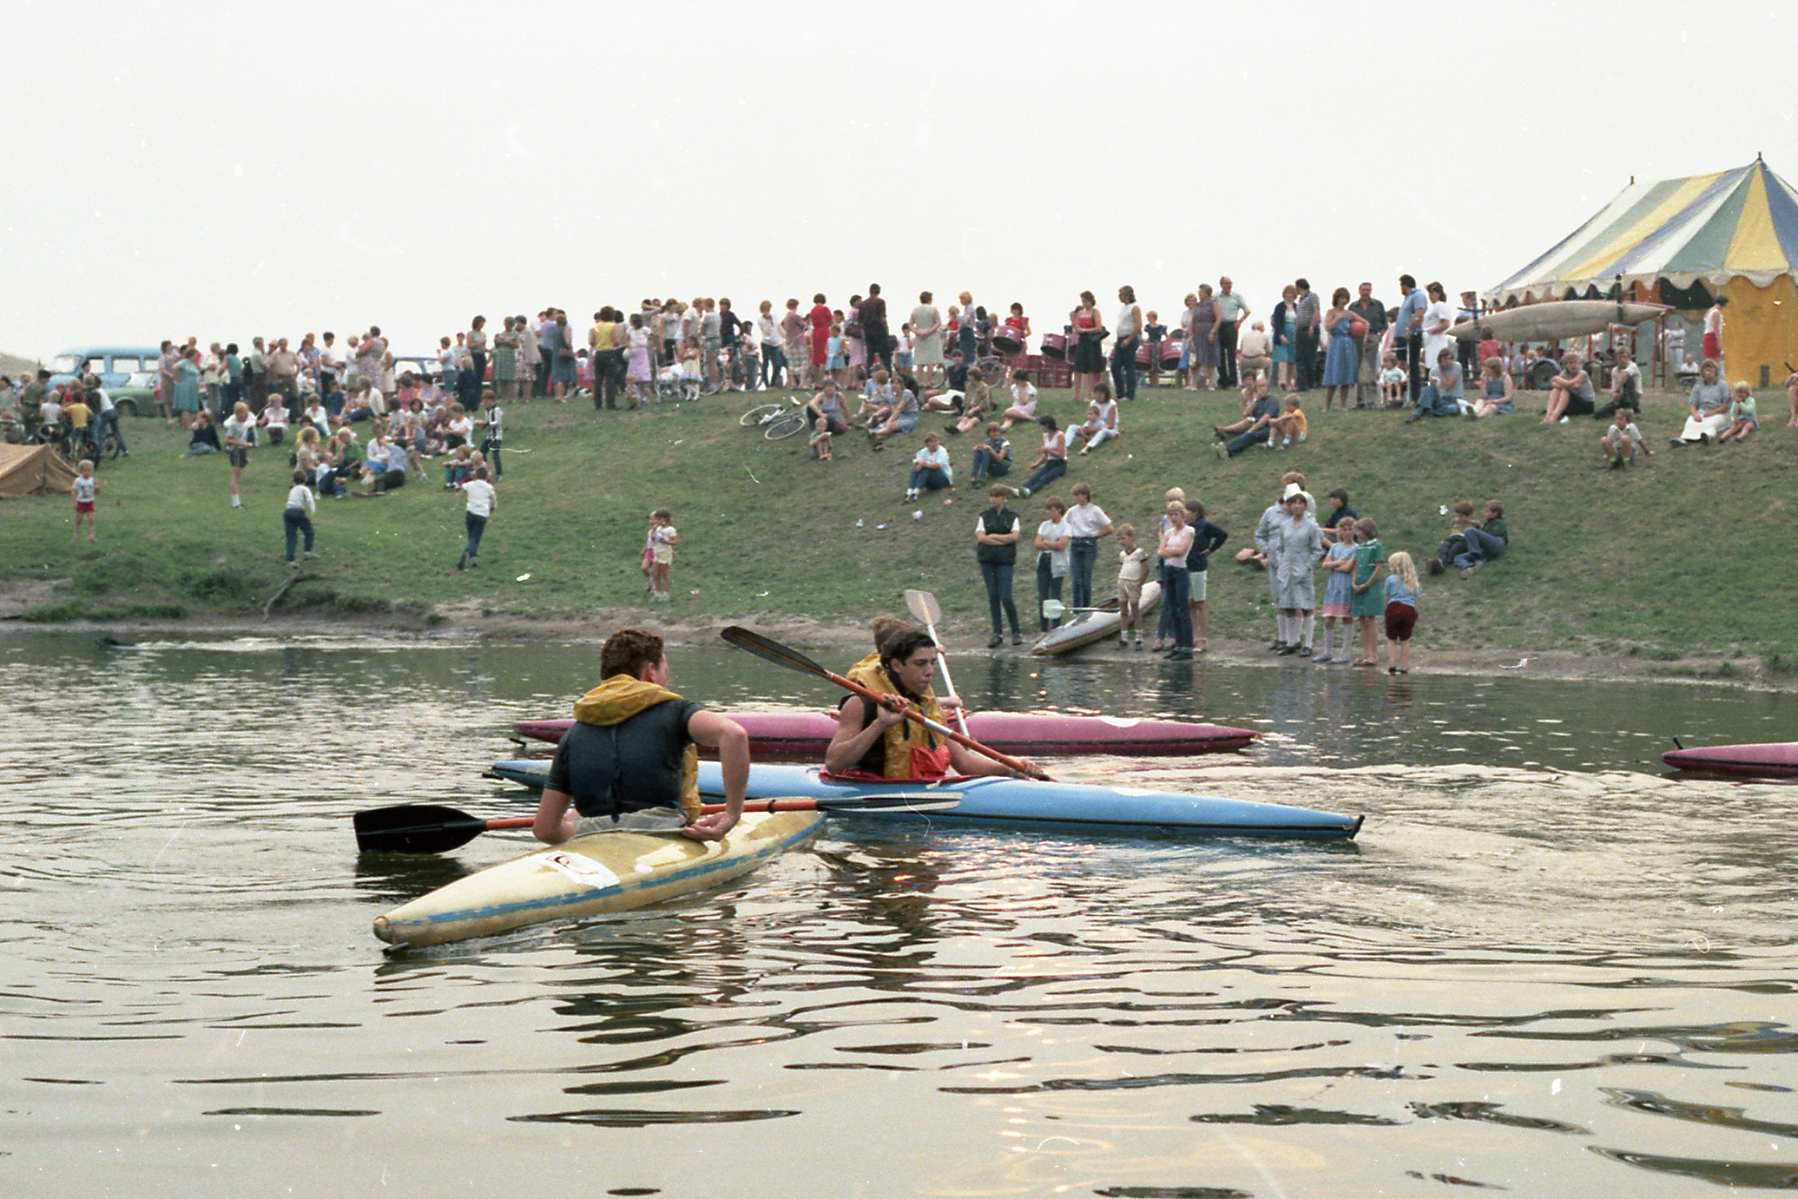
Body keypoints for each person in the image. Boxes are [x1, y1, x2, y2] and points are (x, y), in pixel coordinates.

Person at [532, 628, 747, 844]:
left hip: (592, 835)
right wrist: (732, 814)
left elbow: (544, 830)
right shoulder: (674, 712)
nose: (668, 679)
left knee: (573, 817)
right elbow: (733, 734)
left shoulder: (575, 732)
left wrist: (587, 830)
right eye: (665, 670)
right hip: (663, 831)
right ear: (650, 671)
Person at [825, 628, 1035, 780]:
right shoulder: (860, 704)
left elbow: (965, 763)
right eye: (920, 663)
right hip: (869, 793)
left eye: (932, 663)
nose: (929, 671)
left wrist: (1012, 768)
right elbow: (834, 764)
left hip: (918, 794)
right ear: (896, 665)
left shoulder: (928, 705)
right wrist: (880, 724)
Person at [1270, 488, 1323, 656]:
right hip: (1286, 568)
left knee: (1306, 605)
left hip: (1302, 568)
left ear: (1306, 506)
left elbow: (1317, 550)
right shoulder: (1284, 525)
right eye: (1294, 503)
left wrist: (1308, 566)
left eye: (1301, 503)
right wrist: (1280, 562)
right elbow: (1279, 547)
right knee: (1288, 605)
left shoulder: (1311, 526)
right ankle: (1291, 642)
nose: (1297, 506)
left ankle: (1308, 643)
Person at [975, 485, 1023, 647]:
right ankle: (997, 633)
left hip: (1005, 561)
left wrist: (994, 536)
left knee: (1006, 596)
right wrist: (1003, 539)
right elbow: (981, 537)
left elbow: (1015, 537)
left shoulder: (1012, 517)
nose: (994, 499)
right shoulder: (984, 516)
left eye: (997, 496)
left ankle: (1016, 631)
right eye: (992, 496)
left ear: (1004, 498)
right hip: (987, 560)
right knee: (993, 596)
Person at [1182, 500, 1229, 653]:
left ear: (1195, 512)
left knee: (1199, 603)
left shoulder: (1204, 525)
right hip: (1184, 567)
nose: (1184, 514)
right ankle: (1193, 636)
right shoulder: (1185, 527)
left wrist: (1211, 550)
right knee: (1189, 603)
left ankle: (1203, 639)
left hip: (1198, 567)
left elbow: (1222, 535)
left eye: (1186, 511)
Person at [1063, 483, 1114, 611]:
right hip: (1075, 544)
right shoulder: (1071, 511)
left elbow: (1109, 528)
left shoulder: (1095, 510)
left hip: (1089, 545)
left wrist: (1095, 536)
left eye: (1078, 495)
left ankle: (1086, 609)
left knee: (1086, 579)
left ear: (1085, 495)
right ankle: (1076, 610)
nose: (1076, 498)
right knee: (1076, 580)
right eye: (1075, 495)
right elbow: (1063, 526)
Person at [1156, 501, 1196, 660]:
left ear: (1182, 515)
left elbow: (1181, 551)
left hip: (1180, 570)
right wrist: (1167, 551)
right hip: (1168, 570)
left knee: (1182, 609)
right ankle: (1178, 645)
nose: (1173, 518)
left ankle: (1187, 646)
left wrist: (1167, 551)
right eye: (1170, 515)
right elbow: (1160, 551)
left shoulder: (1189, 530)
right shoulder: (1168, 533)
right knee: (1172, 609)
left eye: (1176, 514)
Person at [1316, 516, 1357, 663]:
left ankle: (1346, 653)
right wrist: (1339, 562)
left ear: (1354, 530)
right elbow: (1325, 565)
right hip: (1333, 587)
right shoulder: (1334, 547)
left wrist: (1334, 565)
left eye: (1350, 529)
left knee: (1346, 618)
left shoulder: (1356, 549)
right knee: (1328, 618)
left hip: (1346, 587)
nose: (1347, 532)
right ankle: (1327, 651)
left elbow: (1348, 569)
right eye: (1344, 529)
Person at [1349, 516, 1386, 667]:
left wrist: (1366, 584)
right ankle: (1365, 654)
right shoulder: (1359, 548)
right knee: (1362, 620)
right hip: (1358, 588)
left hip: (1370, 588)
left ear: (1366, 531)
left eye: (1358, 530)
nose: (1356, 533)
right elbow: (1355, 567)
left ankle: (1373, 655)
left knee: (1370, 620)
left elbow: (1378, 568)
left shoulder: (1376, 546)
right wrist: (1354, 582)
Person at [1670, 360, 1731, 446]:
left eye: (1711, 369)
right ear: (1702, 372)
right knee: (1690, 421)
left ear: (1715, 371)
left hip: (1719, 412)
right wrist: (1695, 414)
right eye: (1706, 369)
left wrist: (1713, 412)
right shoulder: (1698, 385)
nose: (1708, 372)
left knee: (1712, 423)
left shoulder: (1722, 385)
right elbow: (1692, 404)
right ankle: (1683, 439)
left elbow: (1726, 405)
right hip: (1702, 411)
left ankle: (1708, 437)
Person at [1215, 380, 1281, 457]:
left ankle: (1227, 450)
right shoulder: (1257, 401)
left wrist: (1251, 430)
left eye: (1264, 386)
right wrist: (1256, 400)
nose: (1262, 389)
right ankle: (1225, 436)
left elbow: (1265, 419)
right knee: (1247, 424)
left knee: (1251, 435)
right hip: (1256, 424)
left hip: (1269, 428)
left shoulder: (1272, 400)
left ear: (1268, 388)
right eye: (1259, 387)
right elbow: (1245, 414)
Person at [1033, 499, 1072, 632]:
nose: (1049, 512)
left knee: (1055, 595)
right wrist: (1052, 543)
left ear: (1059, 510)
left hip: (1057, 562)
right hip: (1043, 560)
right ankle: (1044, 628)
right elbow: (1037, 543)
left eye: (1051, 509)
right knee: (1042, 596)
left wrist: (1046, 543)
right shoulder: (1044, 525)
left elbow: (1062, 545)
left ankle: (1056, 627)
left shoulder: (1066, 526)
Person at [1006, 415, 1066, 499]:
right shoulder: (1045, 435)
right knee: (1036, 477)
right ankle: (1020, 490)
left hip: (1060, 463)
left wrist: (1047, 450)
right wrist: (1036, 464)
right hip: (1050, 462)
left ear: (1047, 425)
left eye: (1041, 425)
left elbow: (1061, 455)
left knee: (1045, 478)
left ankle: (1029, 491)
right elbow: (1046, 454)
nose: (1040, 427)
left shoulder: (1060, 435)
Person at [1348, 282, 1388, 408]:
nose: (1366, 292)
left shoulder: (1378, 305)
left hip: (1373, 337)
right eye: (1363, 290)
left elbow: (1384, 324)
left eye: (1368, 290)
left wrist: (1379, 337)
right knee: (1358, 368)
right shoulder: (1353, 306)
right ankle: (1360, 401)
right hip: (1357, 339)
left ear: (1371, 291)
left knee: (1371, 367)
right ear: (1359, 291)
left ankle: (1371, 400)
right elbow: (1348, 323)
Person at [1320, 288, 1360, 410]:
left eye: (1345, 298)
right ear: (1336, 298)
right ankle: (1327, 406)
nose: (1343, 300)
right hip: (1335, 344)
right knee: (1333, 374)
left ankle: (1343, 405)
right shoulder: (1330, 312)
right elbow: (1327, 327)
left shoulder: (1349, 313)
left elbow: (1365, 323)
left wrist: (1363, 335)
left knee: (1345, 375)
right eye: (1341, 298)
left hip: (1347, 344)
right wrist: (1337, 318)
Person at [1383, 551, 1421, 674]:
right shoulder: (1413, 581)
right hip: (1409, 610)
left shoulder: (1390, 579)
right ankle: (1405, 667)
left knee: (1391, 639)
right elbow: (1415, 599)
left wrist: (1386, 610)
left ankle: (1392, 665)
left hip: (1393, 608)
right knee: (1405, 640)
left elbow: (1387, 596)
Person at [1393, 275, 1427, 403]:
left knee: (1412, 366)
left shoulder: (1417, 296)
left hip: (1412, 336)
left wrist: (1409, 329)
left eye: (1400, 285)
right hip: (1402, 337)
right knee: (1401, 366)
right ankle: (1400, 397)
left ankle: (1415, 397)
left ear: (1405, 285)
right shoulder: (1407, 298)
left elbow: (1419, 313)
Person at [1116, 524, 1151, 648]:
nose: (1121, 542)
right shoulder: (1122, 554)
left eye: (1123, 538)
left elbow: (1146, 569)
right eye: (1119, 539)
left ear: (1131, 538)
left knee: (1135, 610)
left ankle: (1139, 637)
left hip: (1134, 583)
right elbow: (1121, 567)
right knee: (1123, 610)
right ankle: (1124, 637)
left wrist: (1139, 583)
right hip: (1122, 583)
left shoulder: (1139, 553)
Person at [1406, 348, 1465, 422]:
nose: (1448, 361)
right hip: (1440, 398)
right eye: (1445, 359)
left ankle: (1429, 411)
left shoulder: (1457, 366)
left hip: (1454, 399)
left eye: (1450, 359)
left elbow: (1448, 386)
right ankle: (1416, 414)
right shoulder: (1434, 370)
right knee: (1428, 388)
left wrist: (1441, 371)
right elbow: (1430, 389)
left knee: (1454, 409)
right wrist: (1431, 383)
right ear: (1440, 359)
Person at [1069, 290, 1106, 404]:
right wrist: (1074, 322)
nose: (1084, 303)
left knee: (1090, 369)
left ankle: (1088, 394)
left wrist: (1085, 330)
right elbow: (1075, 327)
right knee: (1078, 367)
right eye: (1083, 301)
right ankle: (1076, 394)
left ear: (1091, 301)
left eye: (1086, 301)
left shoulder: (1095, 312)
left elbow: (1099, 328)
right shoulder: (1080, 313)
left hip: (1092, 341)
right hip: (1082, 341)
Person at [457, 466, 496, 570]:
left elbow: (462, 487)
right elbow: (493, 499)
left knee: (472, 537)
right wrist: (492, 508)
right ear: (487, 476)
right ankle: (466, 555)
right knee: (475, 538)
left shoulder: (471, 484)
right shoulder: (489, 487)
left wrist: (461, 495)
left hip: (470, 513)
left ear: (476, 475)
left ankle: (473, 558)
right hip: (482, 515)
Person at [1454, 501, 1508, 575]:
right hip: (1487, 550)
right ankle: (1468, 567)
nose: (1484, 513)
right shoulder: (1487, 523)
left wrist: (1477, 527)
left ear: (1495, 513)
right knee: (1458, 557)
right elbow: (1483, 536)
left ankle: (1476, 556)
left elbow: (1490, 536)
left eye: (1487, 511)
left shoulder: (1499, 523)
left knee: (1469, 530)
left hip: (1497, 544)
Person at [1541, 350, 1596, 423]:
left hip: (1586, 405)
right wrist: (1560, 383)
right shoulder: (1564, 373)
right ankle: (1548, 415)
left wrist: (1556, 378)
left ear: (1580, 364)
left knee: (1565, 391)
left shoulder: (1583, 374)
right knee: (1555, 390)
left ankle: (1554, 416)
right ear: (1566, 365)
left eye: (1576, 362)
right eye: (1570, 363)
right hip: (1572, 402)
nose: (1574, 365)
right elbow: (1554, 385)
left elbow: (1568, 384)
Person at [1215, 276, 1250, 388]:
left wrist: (1240, 321)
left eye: (1230, 283)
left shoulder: (1236, 296)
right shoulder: (1216, 297)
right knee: (1220, 354)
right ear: (1221, 284)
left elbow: (1247, 311)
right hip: (1219, 325)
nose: (1228, 285)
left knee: (1231, 354)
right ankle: (1223, 380)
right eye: (1226, 283)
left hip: (1231, 325)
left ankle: (1233, 380)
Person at [222, 401, 257, 509]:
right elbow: (227, 440)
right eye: (244, 413)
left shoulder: (244, 423)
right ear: (238, 413)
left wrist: (245, 454)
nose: (246, 415)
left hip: (241, 451)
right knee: (235, 479)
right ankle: (236, 504)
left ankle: (236, 503)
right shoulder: (233, 425)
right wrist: (242, 443)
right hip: (236, 452)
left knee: (238, 477)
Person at [1110, 285, 1143, 401]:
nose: (1119, 296)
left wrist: (1129, 339)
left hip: (1129, 339)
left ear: (1128, 295)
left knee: (1129, 367)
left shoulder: (1134, 308)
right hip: (1120, 339)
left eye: (1121, 294)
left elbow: (1138, 325)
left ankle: (1130, 395)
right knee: (1115, 366)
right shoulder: (1123, 308)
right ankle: (1120, 393)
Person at [1186, 283, 1220, 391]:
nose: (1199, 294)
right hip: (1197, 333)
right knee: (1196, 359)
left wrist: (1213, 331)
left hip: (1209, 331)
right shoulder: (1197, 305)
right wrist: (1191, 334)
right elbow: (1193, 320)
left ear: (1206, 293)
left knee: (1210, 358)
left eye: (1201, 292)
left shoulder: (1213, 303)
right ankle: (1193, 384)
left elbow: (1218, 318)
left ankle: (1210, 383)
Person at [1594, 346, 1641, 420]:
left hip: (1633, 397)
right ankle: (1622, 411)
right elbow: (1613, 389)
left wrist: (1616, 390)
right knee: (1598, 414)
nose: (1622, 360)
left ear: (1629, 358)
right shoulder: (1614, 370)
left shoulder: (1633, 366)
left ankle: (1630, 408)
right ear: (1616, 358)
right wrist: (1614, 395)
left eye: (1625, 357)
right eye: (1620, 357)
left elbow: (1625, 375)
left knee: (1628, 378)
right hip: (1620, 398)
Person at [282, 468, 317, 565]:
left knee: (291, 536)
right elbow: (310, 501)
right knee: (309, 532)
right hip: (298, 512)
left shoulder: (293, 489)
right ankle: (307, 552)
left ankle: (290, 559)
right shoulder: (305, 489)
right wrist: (312, 513)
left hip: (287, 512)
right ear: (305, 479)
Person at [904, 432, 953, 501]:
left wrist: (924, 464)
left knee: (927, 467)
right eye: (932, 442)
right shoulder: (923, 451)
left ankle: (916, 492)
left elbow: (936, 466)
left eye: (936, 441)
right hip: (931, 484)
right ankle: (910, 491)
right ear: (927, 443)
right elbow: (916, 460)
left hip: (943, 480)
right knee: (915, 468)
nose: (935, 444)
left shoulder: (942, 451)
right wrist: (919, 464)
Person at [1073, 385, 1120, 454]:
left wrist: (1093, 430)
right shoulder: (1092, 403)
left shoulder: (1112, 404)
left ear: (1106, 394)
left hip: (1108, 430)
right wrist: (1085, 428)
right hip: (1093, 426)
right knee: (1073, 427)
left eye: (1101, 393)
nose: (1098, 395)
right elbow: (1089, 418)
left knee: (1103, 431)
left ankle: (1087, 447)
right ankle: (1063, 445)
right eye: (1096, 393)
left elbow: (1110, 425)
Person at [1292, 279, 1321, 391]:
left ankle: (1311, 383)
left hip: (1309, 329)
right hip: (1300, 330)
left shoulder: (1312, 296)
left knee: (1310, 357)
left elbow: (1316, 311)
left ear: (1299, 287)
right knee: (1300, 357)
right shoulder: (1301, 299)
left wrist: (1312, 326)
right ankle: (1301, 384)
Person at [1270, 284, 1299, 391]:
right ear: (1284, 294)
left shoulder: (1297, 307)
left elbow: (1299, 321)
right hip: (1282, 332)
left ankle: (1289, 382)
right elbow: (1277, 322)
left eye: (1291, 293)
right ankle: (1281, 382)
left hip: (1294, 333)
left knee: (1291, 360)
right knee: (1283, 359)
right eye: (1287, 293)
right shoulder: (1279, 307)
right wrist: (1281, 335)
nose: (1289, 295)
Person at [648, 507, 677, 602]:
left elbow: (674, 541)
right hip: (657, 552)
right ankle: (657, 593)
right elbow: (653, 539)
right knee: (655, 573)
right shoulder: (658, 528)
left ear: (664, 519)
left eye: (658, 519)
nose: (656, 521)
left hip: (665, 553)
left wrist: (665, 541)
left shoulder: (670, 529)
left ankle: (666, 594)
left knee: (664, 574)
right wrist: (653, 534)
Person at [71, 459, 99, 542]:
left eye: (89, 470)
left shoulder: (92, 480)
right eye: (85, 470)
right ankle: (76, 535)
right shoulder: (78, 480)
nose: (87, 472)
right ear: (80, 471)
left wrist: (97, 489)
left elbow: (97, 492)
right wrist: (74, 502)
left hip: (90, 502)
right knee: (78, 520)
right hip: (80, 503)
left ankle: (91, 536)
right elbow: (74, 491)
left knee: (91, 520)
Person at [1702, 296, 1727, 372]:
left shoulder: (1710, 310)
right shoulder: (1716, 312)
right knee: (1714, 361)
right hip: (1712, 337)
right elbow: (1715, 328)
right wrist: (1719, 342)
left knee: (1709, 361)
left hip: (1708, 336)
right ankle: (1713, 378)